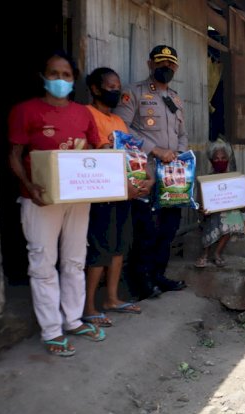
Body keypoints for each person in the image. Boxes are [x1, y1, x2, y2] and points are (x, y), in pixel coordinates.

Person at [8, 50, 106, 357]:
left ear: (74, 79)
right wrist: (28, 185)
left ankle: (73, 320)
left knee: (75, 260)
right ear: (43, 76)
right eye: (53, 74)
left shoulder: (83, 113)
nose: (60, 80)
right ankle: (52, 330)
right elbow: (14, 155)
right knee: (42, 262)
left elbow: (97, 148)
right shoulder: (26, 111)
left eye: (66, 75)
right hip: (40, 198)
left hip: (77, 196)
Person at [115, 44, 188, 299]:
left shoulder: (176, 99)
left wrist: (178, 155)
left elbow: (182, 134)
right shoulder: (134, 93)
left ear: (176, 67)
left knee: (169, 227)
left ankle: (158, 275)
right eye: (160, 63)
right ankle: (140, 282)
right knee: (145, 229)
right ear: (150, 64)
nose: (165, 68)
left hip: (172, 174)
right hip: (143, 169)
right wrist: (155, 150)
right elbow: (121, 128)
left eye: (170, 64)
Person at [82, 67, 151, 327]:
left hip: (124, 193)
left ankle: (111, 298)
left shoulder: (119, 122)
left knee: (120, 247)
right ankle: (89, 306)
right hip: (101, 192)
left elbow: (130, 157)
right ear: (95, 89)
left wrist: (143, 179)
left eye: (117, 86)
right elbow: (91, 155)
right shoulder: (87, 115)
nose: (116, 91)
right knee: (100, 249)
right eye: (110, 86)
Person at [195, 138, 245, 268]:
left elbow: (242, 204)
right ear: (211, 160)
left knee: (233, 215)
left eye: (223, 158)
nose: (220, 161)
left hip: (226, 214)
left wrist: (243, 205)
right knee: (212, 218)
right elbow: (198, 203)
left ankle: (217, 253)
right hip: (210, 214)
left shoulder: (234, 178)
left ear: (228, 159)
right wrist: (201, 208)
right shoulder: (205, 180)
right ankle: (205, 253)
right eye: (216, 158)